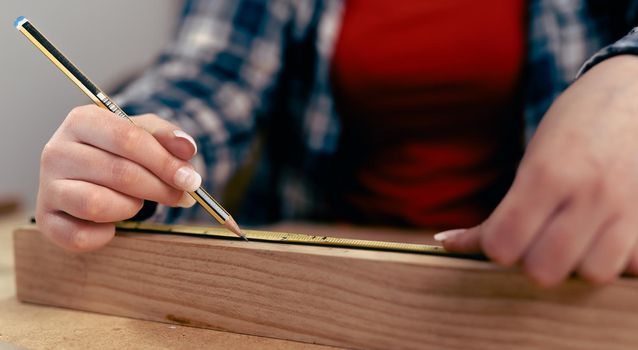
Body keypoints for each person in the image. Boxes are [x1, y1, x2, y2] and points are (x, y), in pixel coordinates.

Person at [34, 0, 638, 287]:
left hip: (555, 280)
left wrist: (626, 75)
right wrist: (135, 156)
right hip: (323, 277)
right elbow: (213, 74)